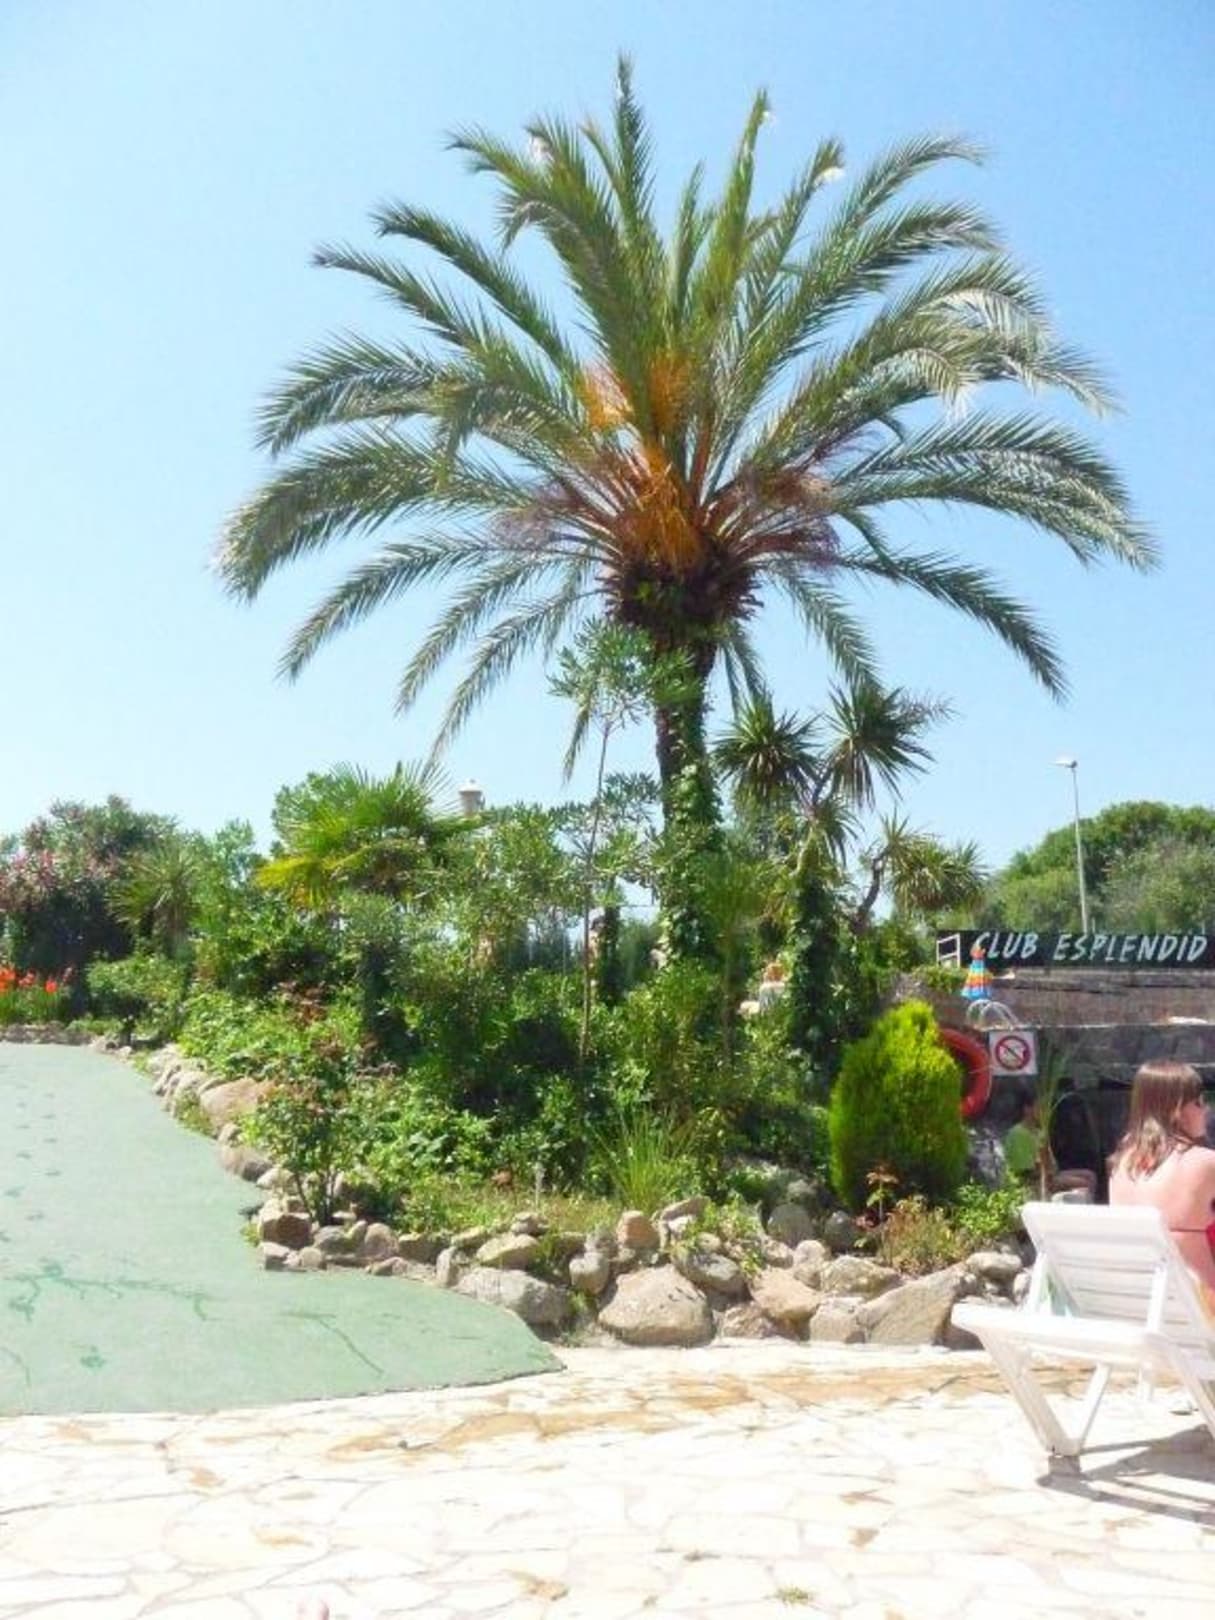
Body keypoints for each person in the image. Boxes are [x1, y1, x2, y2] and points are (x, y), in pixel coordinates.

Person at [1109, 1060, 1215, 1306]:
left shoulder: (1120, 1164)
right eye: (1199, 1102)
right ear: (1176, 1110)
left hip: (1140, 1300)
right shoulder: (1203, 1162)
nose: (1206, 1110)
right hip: (1199, 1304)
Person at [1004, 1084, 1098, 1199]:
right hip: (1035, 1180)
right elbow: (1025, 1171)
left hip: (1051, 1174)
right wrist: (1046, 1171)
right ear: (1027, 1109)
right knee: (1084, 1183)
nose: (1044, 1111)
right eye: (1040, 1107)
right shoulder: (1018, 1134)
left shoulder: (1039, 1132)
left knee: (1090, 1175)